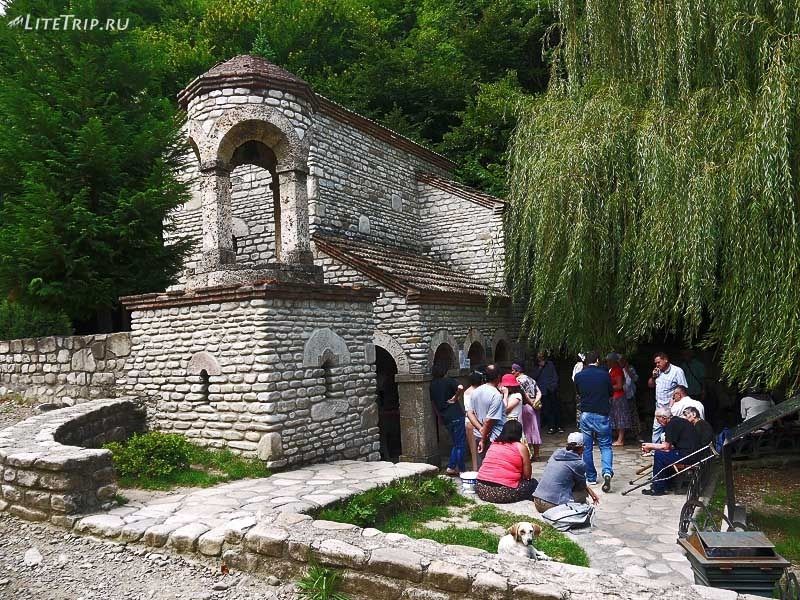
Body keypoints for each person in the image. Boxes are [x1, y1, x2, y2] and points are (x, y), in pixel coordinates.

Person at [573, 351, 614, 492]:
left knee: (587, 447)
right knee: (606, 446)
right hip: (602, 414)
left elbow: (578, 393)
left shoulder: (579, 376)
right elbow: (610, 392)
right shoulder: (605, 375)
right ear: (597, 360)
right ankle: (607, 472)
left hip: (586, 415)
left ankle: (591, 477)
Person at [533, 432, 600, 514]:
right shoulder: (578, 463)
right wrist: (588, 490)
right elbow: (581, 486)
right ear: (582, 448)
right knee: (582, 494)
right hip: (550, 506)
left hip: (537, 501)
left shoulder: (556, 454)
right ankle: (576, 511)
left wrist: (589, 489)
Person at [640, 408, 700, 496]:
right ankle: (666, 484)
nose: (658, 422)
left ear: (664, 418)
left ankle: (658, 488)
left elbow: (666, 446)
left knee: (660, 456)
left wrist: (650, 446)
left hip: (688, 455)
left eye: (658, 419)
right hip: (692, 454)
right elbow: (669, 447)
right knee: (664, 455)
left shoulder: (671, 424)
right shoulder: (678, 421)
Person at [476, 420, 538, 504]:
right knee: (533, 484)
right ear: (519, 433)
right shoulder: (521, 447)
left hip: (481, 489)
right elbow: (527, 476)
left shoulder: (494, 444)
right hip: (502, 493)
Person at [430, 364, 467, 476]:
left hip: (445, 417)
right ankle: (461, 469)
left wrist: (439, 417)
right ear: (445, 372)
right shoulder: (448, 381)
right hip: (455, 414)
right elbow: (460, 387)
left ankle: (452, 466)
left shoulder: (432, 385)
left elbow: (433, 404)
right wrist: (455, 398)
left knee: (456, 443)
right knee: (460, 443)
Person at [647, 352, 687, 444]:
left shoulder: (677, 371)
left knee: (671, 428)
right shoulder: (657, 372)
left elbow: (682, 388)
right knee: (656, 428)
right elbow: (650, 385)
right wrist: (653, 377)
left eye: (658, 362)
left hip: (672, 407)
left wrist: (677, 402)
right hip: (659, 406)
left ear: (666, 360)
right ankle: (654, 449)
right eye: (656, 363)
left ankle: (670, 447)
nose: (657, 364)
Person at [470, 364, 506, 462]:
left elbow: (469, 413)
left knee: (482, 467)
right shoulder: (496, 395)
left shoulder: (475, 391)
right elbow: (489, 420)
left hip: (478, 434)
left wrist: (480, 429)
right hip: (493, 437)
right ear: (499, 377)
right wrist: (483, 438)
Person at [512, 362, 542, 461]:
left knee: (527, 430)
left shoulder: (518, 381)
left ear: (518, 371)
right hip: (535, 407)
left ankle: (528, 454)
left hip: (526, 407)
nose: (512, 372)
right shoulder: (531, 379)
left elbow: (525, 395)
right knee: (535, 429)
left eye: (513, 370)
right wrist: (536, 402)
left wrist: (530, 403)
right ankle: (537, 454)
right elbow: (539, 392)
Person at [532, 351, 561, 434]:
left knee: (555, 407)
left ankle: (558, 426)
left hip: (551, 389)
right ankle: (551, 426)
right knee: (547, 409)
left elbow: (554, 376)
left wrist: (553, 386)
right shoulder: (536, 367)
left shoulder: (550, 364)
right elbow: (534, 377)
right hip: (542, 391)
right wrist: (540, 368)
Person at [463, 371, 485, 472]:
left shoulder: (467, 391)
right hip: (474, 422)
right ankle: (477, 471)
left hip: (469, 422)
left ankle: (477, 470)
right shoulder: (476, 392)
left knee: (474, 451)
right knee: (477, 450)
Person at [607, 353, 630, 446]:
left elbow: (619, 385)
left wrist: (608, 387)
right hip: (613, 397)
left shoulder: (617, 370)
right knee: (615, 418)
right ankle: (618, 438)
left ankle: (620, 439)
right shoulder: (612, 370)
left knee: (620, 417)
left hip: (618, 397)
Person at [620, 356, 641, 438]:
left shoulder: (630, 368)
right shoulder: (614, 369)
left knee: (633, 415)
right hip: (619, 397)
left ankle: (637, 434)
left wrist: (627, 369)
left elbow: (635, 378)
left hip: (630, 395)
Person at [572, 352, 586, 428]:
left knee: (580, 409)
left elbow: (574, 380)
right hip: (582, 391)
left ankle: (581, 425)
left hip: (581, 391)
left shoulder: (578, 365)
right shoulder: (579, 365)